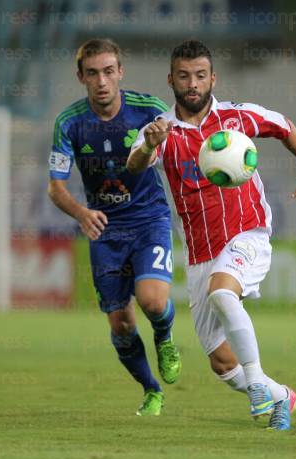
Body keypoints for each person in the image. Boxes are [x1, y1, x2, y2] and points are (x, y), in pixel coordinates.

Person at [127, 40, 296, 430]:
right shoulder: (161, 131)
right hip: (200, 253)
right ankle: (281, 395)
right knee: (220, 362)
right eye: (184, 76)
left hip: (247, 234)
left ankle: (256, 388)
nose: (193, 84)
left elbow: (285, 127)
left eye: (200, 75)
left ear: (213, 77)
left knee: (222, 292)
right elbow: (133, 166)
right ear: (171, 79)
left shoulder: (238, 116)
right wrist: (149, 142)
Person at [47, 38, 181, 416]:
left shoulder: (150, 110)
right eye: (93, 73)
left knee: (153, 301)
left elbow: (182, 155)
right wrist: (81, 214)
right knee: (121, 325)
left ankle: (165, 336)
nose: (102, 81)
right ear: (81, 77)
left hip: (148, 219)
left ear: (120, 72)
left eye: (109, 71)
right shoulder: (70, 123)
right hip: (104, 227)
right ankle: (151, 389)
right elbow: (56, 187)